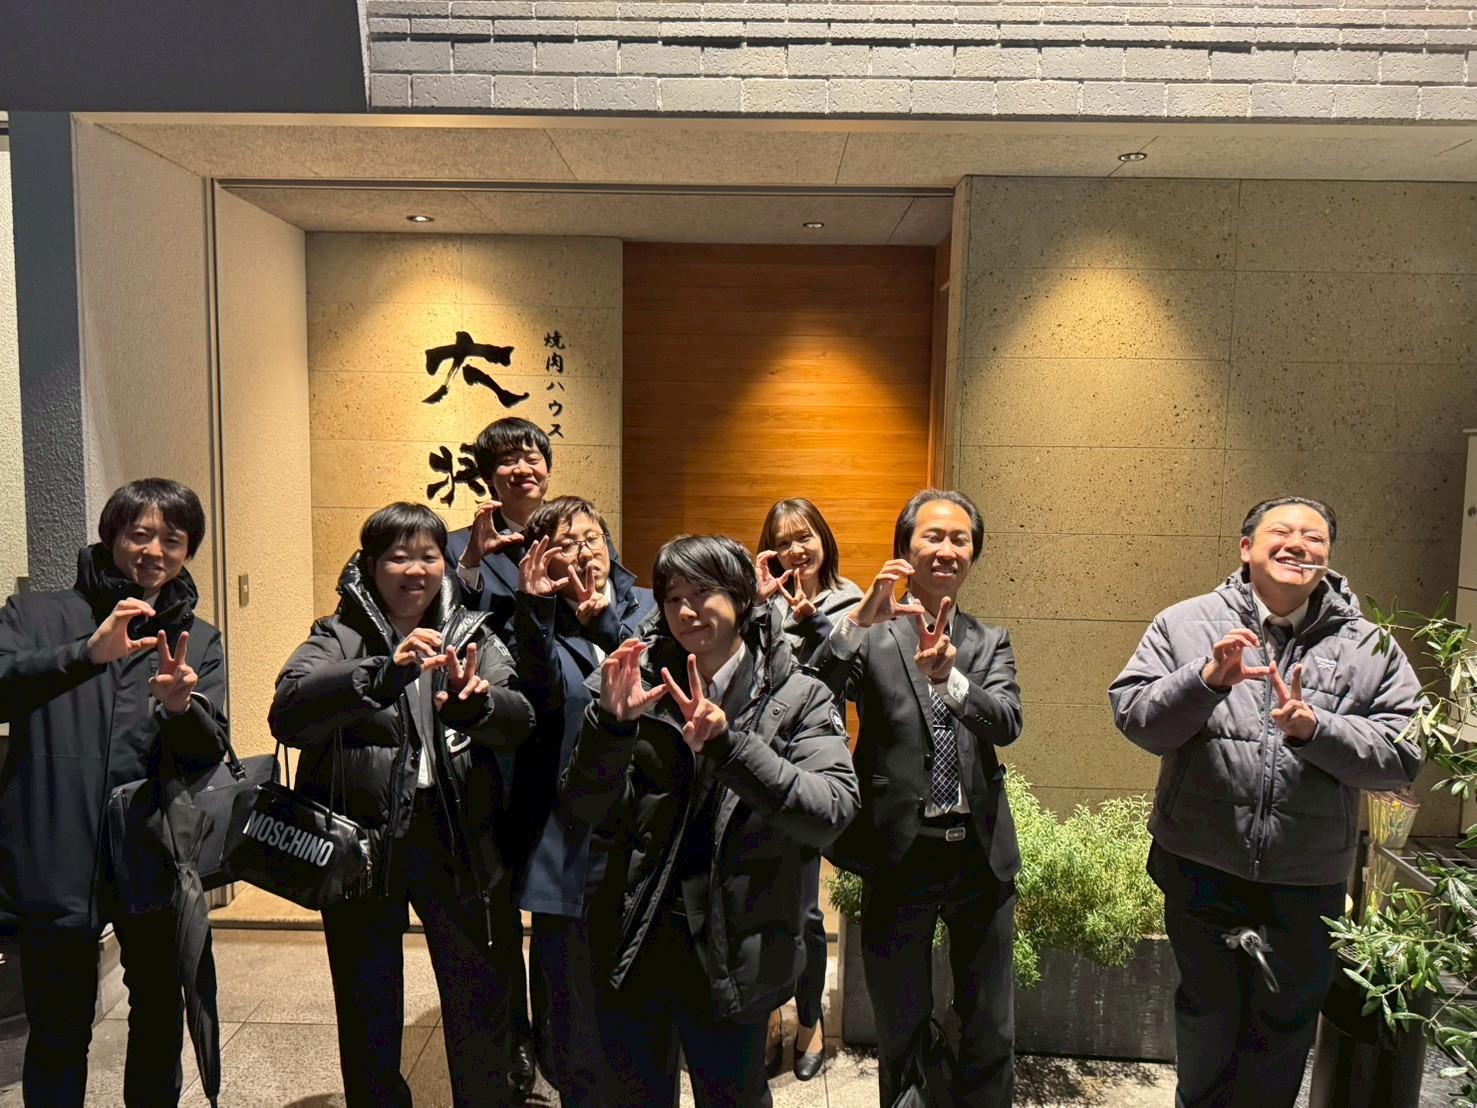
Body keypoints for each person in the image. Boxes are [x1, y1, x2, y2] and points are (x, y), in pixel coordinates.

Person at [1109, 496, 1423, 1108]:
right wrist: (1204, 681)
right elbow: (1136, 719)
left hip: (1306, 879)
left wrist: (1317, 729)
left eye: (1314, 536)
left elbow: (1404, 753)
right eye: (1281, 531)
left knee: (1282, 1029)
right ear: (1246, 547)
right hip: (1201, 863)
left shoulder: (1370, 646)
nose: (1297, 543)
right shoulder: (1185, 623)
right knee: (1206, 1017)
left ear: (1328, 556)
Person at [563, 534, 859, 1107]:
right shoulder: (637, 679)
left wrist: (730, 747)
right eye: (673, 597)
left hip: (738, 941)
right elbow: (584, 810)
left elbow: (832, 809)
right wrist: (611, 731)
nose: (686, 610)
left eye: (702, 593)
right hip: (636, 935)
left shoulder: (798, 695)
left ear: (743, 598)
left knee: (732, 1093)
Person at [269, 502, 537, 1107]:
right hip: (363, 840)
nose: (415, 570)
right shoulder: (337, 635)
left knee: (477, 991)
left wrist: (478, 706)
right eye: (398, 556)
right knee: (367, 999)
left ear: (445, 563)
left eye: (428, 556)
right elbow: (287, 712)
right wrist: (382, 672)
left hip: (456, 833)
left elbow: (520, 718)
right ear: (370, 565)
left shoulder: (471, 632)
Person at [0, 478, 229, 1106]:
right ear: (112, 536)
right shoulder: (37, 615)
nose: (155, 550)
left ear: (188, 551)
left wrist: (182, 708)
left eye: (173, 540)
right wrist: (85, 654)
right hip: (55, 848)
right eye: (140, 534)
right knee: (58, 1024)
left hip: (152, 852)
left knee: (158, 1011)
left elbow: (209, 751)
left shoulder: (199, 638)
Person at [810, 489, 1023, 1107]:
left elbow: (1006, 722)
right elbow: (813, 690)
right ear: (905, 548)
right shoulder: (872, 636)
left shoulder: (988, 640)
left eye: (960, 539)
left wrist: (950, 678)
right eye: (933, 536)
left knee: (990, 1023)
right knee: (900, 1021)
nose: (947, 549)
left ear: (974, 553)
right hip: (899, 852)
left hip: (979, 856)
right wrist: (857, 620)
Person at [509, 496, 655, 1107]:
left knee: (639, 994)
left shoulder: (647, 605)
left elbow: (661, 677)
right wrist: (536, 609)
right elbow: (538, 699)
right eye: (564, 545)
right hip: (567, 833)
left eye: (590, 539)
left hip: (644, 829)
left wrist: (605, 624)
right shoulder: (533, 621)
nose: (582, 554)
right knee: (570, 997)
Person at [445, 416, 554, 1094]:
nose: (522, 467)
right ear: (487, 476)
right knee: (499, 894)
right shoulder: (459, 545)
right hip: (491, 742)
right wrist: (470, 566)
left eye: (532, 455)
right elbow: (441, 620)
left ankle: (560, 1030)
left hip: (556, 735)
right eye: (507, 459)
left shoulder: (571, 532)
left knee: (556, 891)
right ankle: (514, 1035)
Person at [754, 498, 863, 1080]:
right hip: (757, 759)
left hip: (814, 762)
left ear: (824, 539)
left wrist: (814, 623)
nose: (796, 550)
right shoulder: (759, 599)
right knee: (756, 893)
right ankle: (765, 1012)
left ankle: (809, 1019)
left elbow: (852, 679)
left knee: (807, 909)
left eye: (805, 537)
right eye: (783, 541)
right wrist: (759, 605)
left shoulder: (852, 602)